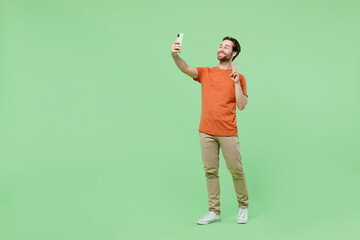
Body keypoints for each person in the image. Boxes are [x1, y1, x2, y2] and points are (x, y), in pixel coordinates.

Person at [171, 36, 249, 225]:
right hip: (206, 131)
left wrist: (236, 82)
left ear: (234, 53)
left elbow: (242, 105)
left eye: (226, 47)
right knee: (210, 172)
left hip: (228, 132)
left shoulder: (240, 77)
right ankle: (214, 211)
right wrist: (174, 55)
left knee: (236, 170)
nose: (221, 49)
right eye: (220, 45)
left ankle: (243, 207)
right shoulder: (207, 72)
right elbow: (185, 68)